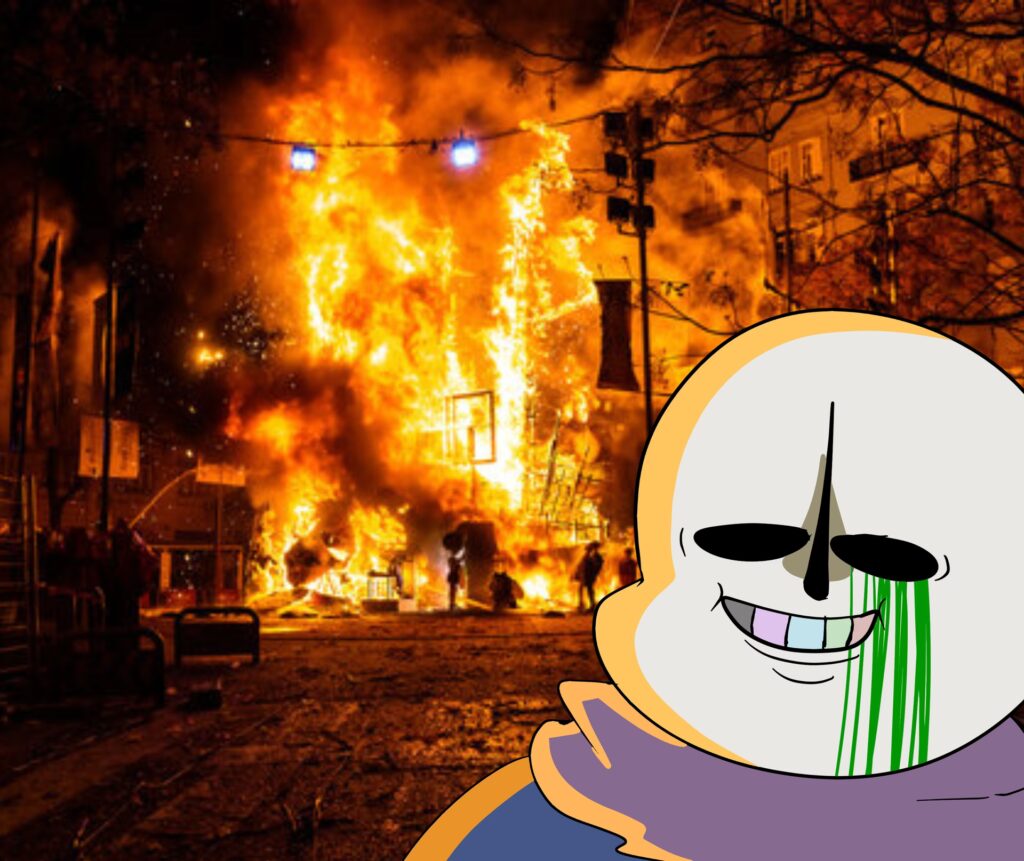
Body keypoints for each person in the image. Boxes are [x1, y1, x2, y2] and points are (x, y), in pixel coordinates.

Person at [576, 542, 604, 612]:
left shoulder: (594, 557)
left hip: (588, 576)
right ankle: (584, 603)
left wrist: (593, 574)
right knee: (584, 589)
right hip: (585, 576)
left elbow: (596, 566)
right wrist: (578, 574)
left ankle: (591, 604)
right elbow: (581, 566)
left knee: (589, 590)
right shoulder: (589, 557)